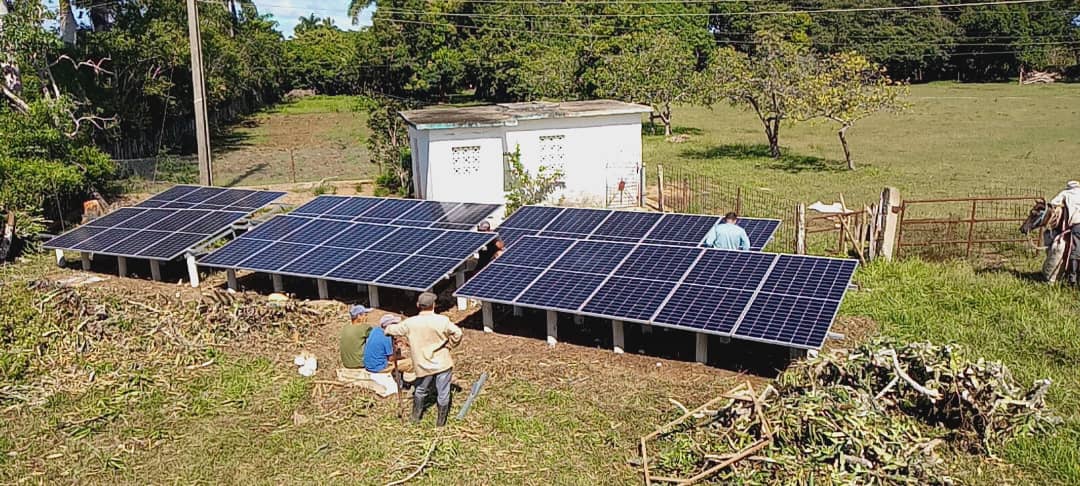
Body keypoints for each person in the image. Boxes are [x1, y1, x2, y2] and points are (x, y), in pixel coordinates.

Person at [384, 292, 463, 427]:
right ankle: (440, 423)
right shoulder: (442, 321)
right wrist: (450, 345)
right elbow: (458, 333)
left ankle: (415, 418)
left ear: (418, 305)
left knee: (420, 390)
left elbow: (392, 330)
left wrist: (389, 329)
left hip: (423, 364)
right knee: (443, 392)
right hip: (442, 362)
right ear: (433, 305)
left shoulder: (411, 323)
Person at [363, 314, 403, 395]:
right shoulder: (386, 337)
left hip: (368, 364)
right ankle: (402, 382)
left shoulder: (375, 330)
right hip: (378, 367)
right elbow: (391, 358)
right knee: (406, 362)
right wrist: (401, 356)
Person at [1049, 180, 1080, 283]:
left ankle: (1073, 277)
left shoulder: (1065, 193)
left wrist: (1062, 204)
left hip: (1077, 225)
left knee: (1075, 251)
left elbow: (1053, 202)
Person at [339, 305, 372, 370]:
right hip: (360, 363)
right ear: (359, 316)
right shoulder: (364, 328)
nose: (366, 317)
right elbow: (376, 338)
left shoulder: (345, 327)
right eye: (365, 315)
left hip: (346, 364)